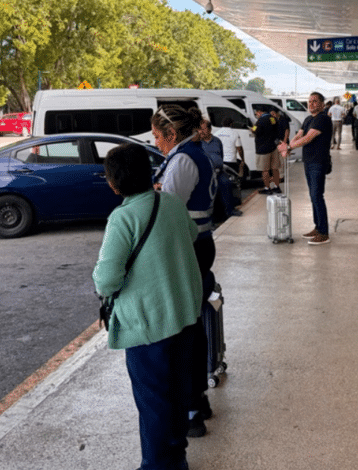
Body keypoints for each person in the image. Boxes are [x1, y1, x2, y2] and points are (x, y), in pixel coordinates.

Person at [93, 143, 202, 470]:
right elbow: (192, 233)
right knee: (179, 395)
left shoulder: (122, 218)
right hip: (184, 316)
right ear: (149, 172)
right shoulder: (170, 202)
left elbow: (107, 280)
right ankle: (177, 458)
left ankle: (157, 465)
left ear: (114, 184)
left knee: (154, 404)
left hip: (147, 325)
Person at [152, 104, 217, 438]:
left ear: (171, 134)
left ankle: (192, 408)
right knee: (192, 323)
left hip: (188, 249)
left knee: (184, 329)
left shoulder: (182, 159)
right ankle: (199, 399)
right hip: (198, 245)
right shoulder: (193, 153)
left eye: (158, 137)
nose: (157, 143)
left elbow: (168, 207)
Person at [278, 92, 332, 246]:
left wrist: (287, 146)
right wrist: (288, 147)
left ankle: (324, 233)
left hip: (318, 162)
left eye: (315, 101)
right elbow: (299, 135)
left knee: (317, 195)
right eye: (309, 101)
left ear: (322, 104)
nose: (311, 104)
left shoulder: (323, 119)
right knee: (313, 195)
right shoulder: (308, 119)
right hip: (308, 162)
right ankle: (317, 227)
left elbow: (309, 137)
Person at [199, 119, 242, 218]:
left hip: (219, 171)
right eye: (200, 129)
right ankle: (210, 217)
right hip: (206, 173)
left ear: (209, 129)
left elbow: (221, 156)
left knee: (226, 183)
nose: (201, 131)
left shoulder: (217, 141)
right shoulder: (199, 143)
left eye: (203, 129)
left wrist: (218, 166)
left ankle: (230, 210)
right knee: (207, 189)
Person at [253, 105, 282, 194]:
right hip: (273, 147)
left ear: (259, 112)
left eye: (256, 113)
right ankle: (277, 187)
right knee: (275, 169)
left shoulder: (260, 121)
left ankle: (267, 188)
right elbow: (276, 128)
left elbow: (255, 131)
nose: (256, 114)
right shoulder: (272, 118)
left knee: (265, 170)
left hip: (263, 149)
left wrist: (251, 129)